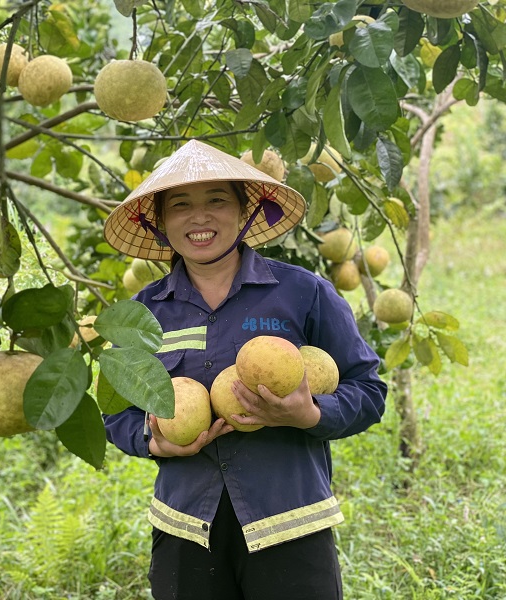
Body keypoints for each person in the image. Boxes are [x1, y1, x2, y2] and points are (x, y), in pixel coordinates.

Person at [101, 139, 387, 600]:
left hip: (290, 524)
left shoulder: (303, 292)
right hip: (186, 530)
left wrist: (309, 414)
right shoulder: (141, 313)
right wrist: (151, 440)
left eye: (217, 200)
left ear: (244, 211)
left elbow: (369, 391)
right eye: (180, 205)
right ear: (160, 222)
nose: (199, 218)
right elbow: (114, 413)